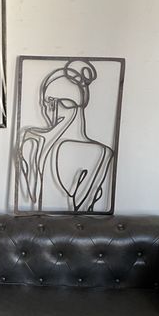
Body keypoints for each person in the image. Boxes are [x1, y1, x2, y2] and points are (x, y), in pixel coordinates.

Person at [18, 59, 114, 212]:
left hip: (61, 221)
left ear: (63, 104)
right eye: (46, 103)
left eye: (50, 102)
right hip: (57, 221)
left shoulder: (43, 143)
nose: (45, 109)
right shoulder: (36, 142)